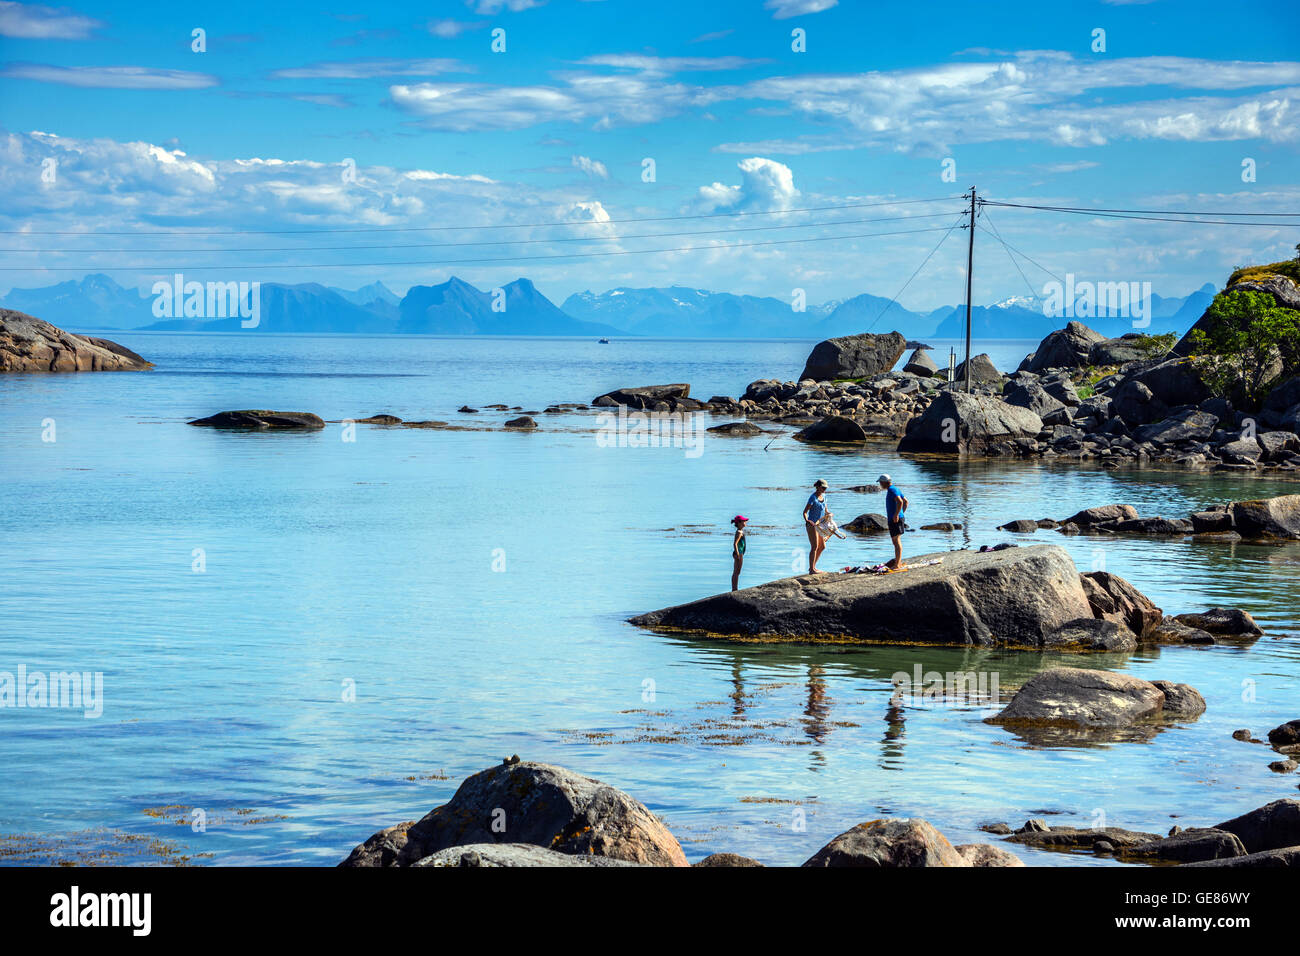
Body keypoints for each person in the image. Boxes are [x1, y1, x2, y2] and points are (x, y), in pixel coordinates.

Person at [880, 474, 909, 569]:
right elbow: (906, 502)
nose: (880, 484)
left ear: (885, 482)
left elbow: (901, 502)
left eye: (881, 482)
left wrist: (897, 515)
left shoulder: (892, 490)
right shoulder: (894, 489)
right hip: (896, 518)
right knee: (895, 541)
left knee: (896, 541)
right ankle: (898, 562)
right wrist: (901, 514)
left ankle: (897, 564)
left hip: (895, 519)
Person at [802, 479, 829, 573]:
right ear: (818, 487)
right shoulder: (813, 498)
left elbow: (825, 510)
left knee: (822, 546)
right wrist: (807, 520)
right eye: (823, 487)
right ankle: (812, 569)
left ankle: (812, 567)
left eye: (826, 488)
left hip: (821, 525)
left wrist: (829, 514)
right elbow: (805, 512)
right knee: (814, 546)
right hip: (812, 525)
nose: (825, 489)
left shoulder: (824, 496)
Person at [730, 515, 748, 591]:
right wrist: (737, 554)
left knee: (737, 572)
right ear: (740, 523)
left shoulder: (740, 531)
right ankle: (734, 588)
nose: (745, 522)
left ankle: (734, 588)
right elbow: (735, 544)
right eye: (744, 521)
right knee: (736, 572)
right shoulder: (739, 532)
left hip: (739, 553)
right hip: (738, 553)